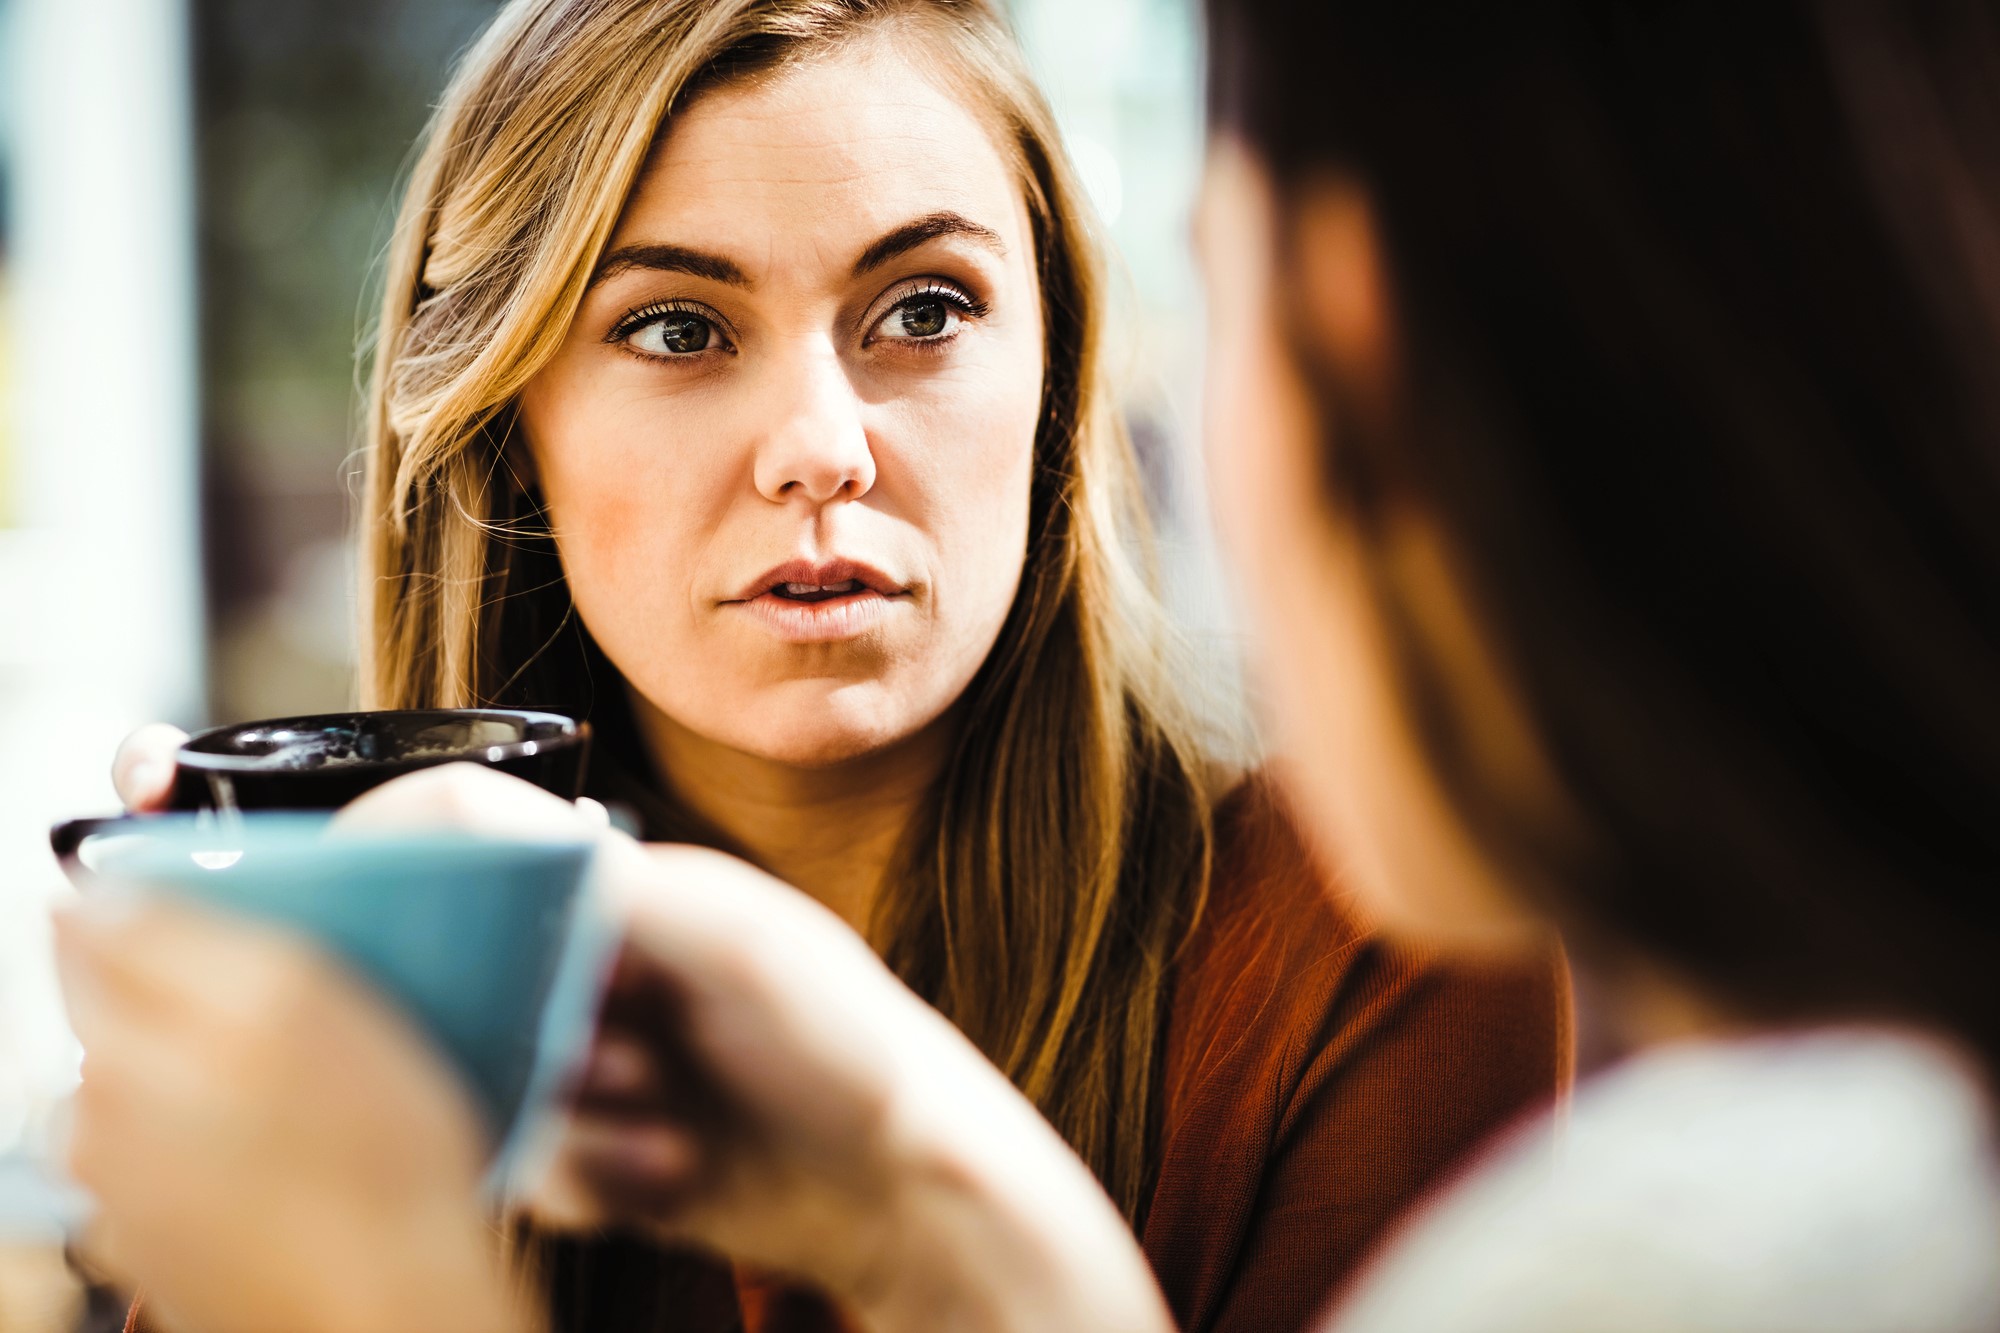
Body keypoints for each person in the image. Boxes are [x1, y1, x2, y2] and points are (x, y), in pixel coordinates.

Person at [63, 3, 1567, 1333]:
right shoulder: (371, 996)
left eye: (925, 310)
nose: (821, 449)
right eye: (677, 328)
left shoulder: (1376, 934)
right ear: (511, 430)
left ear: (1056, 370)